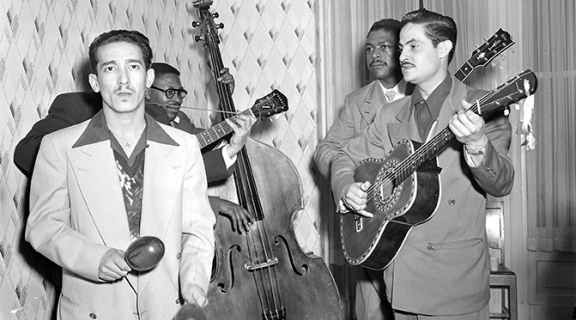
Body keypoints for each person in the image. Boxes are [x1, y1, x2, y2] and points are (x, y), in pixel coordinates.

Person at [331, 9, 515, 320]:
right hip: (401, 278)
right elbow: (343, 156)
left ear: (443, 49)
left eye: (414, 46)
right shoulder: (390, 114)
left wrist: (476, 143)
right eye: (401, 47)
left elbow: (502, 183)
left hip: (455, 285)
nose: (402, 55)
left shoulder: (482, 107)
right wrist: (346, 187)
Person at [25, 29, 215, 319]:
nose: (123, 80)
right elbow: (42, 225)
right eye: (110, 68)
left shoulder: (185, 146)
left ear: (148, 79)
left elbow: (197, 229)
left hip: (166, 308)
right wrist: (93, 259)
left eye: (134, 67)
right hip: (93, 308)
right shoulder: (58, 146)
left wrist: (193, 285)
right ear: (95, 82)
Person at [313, 18, 410, 320]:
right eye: (369, 49)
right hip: (372, 227)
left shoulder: (424, 94)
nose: (374, 55)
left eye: (384, 47)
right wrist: (347, 186)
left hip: (414, 228)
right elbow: (326, 150)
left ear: (403, 51)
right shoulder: (357, 102)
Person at [146, 62, 255, 234]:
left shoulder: (180, 121)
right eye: (169, 93)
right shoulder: (139, 129)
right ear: (146, 92)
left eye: (180, 93)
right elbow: (162, 192)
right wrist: (220, 204)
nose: (176, 99)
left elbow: (211, 139)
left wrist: (224, 97)